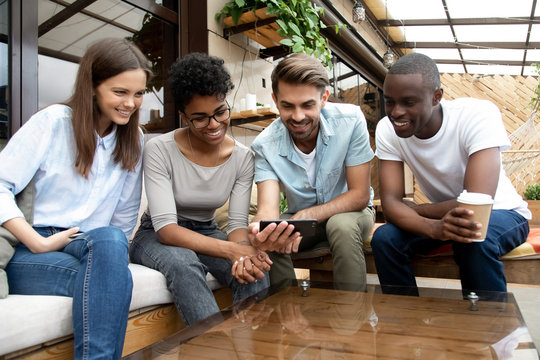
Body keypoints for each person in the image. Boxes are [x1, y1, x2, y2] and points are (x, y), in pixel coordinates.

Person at [0, 38, 150, 358]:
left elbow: (124, 215)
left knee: (111, 240)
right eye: (120, 92)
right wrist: (37, 242)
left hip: (90, 245)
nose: (131, 103)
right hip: (31, 249)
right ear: (92, 86)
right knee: (110, 281)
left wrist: (112, 259)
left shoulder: (133, 138)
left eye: (138, 94)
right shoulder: (53, 122)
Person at [372, 52, 531, 297]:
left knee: (473, 237)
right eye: (389, 101)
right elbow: (392, 204)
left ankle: (490, 327)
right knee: (384, 238)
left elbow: (476, 203)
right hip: (447, 217)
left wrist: (419, 211)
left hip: (501, 212)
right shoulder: (387, 129)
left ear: (437, 97)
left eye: (408, 102)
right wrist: (433, 228)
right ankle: (404, 323)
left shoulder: (476, 115)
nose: (395, 112)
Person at [130, 52, 271, 326]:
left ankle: (254, 348)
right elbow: (167, 229)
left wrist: (243, 252)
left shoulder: (243, 158)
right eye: (200, 118)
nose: (215, 124)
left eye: (220, 112)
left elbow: (237, 225)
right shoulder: (159, 149)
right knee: (184, 265)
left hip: (207, 230)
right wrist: (231, 252)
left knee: (256, 271)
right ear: (184, 116)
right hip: (156, 236)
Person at [248, 53, 376, 291]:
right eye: (287, 106)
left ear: (324, 98)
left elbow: (359, 195)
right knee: (270, 236)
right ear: (276, 101)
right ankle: (288, 315)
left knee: (341, 225)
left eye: (308, 105)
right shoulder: (265, 145)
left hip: (353, 214)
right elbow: (268, 210)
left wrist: (311, 214)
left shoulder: (351, 121)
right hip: (302, 223)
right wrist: (260, 230)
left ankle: (351, 322)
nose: (298, 117)